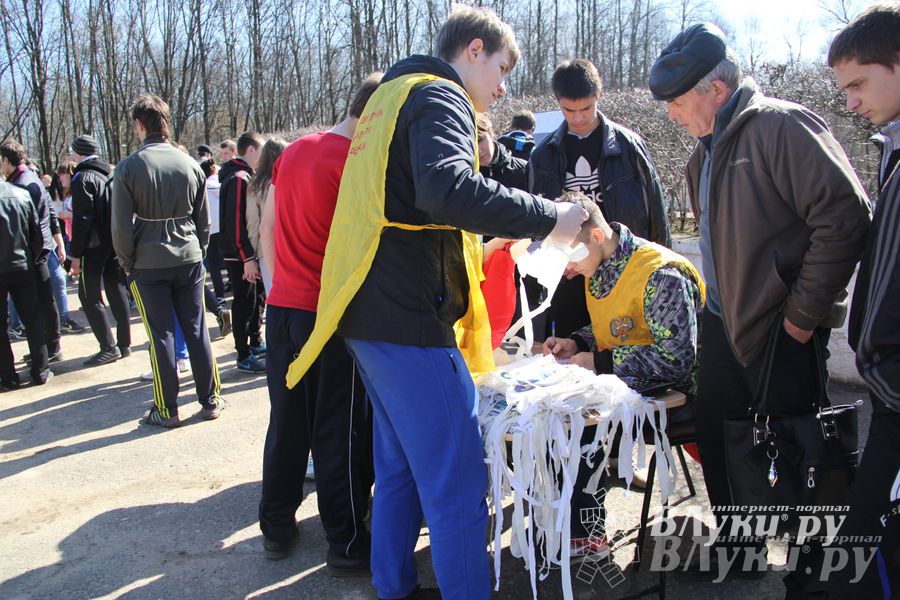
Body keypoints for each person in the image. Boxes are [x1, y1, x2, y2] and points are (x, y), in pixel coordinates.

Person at [286, 5, 588, 598]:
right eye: (501, 68)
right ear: (473, 50)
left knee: (398, 468)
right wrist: (552, 219)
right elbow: (447, 187)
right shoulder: (439, 95)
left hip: (368, 312)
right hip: (407, 320)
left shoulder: (390, 96)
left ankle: (392, 584)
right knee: (457, 486)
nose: (501, 88)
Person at [648, 23, 871, 593]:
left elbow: (845, 217)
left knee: (800, 451)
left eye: (677, 101)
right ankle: (741, 551)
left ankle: (813, 569)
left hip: (783, 331)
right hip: (723, 328)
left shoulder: (780, 126)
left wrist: (802, 317)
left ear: (715, 91)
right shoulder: (701, 159)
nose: (671, 113)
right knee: (724, 446)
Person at [256, 73, 380, 577]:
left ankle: (276, 525)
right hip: (326, 316)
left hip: (283, 306)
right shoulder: (356, 162)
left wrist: (275, 287)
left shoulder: (295, 150)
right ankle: (346, 540)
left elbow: (266, 229)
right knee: (338, 427)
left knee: (287, 421)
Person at [540, 193, 704, 554]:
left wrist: (599, 363)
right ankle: (567, 519)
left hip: (678, 397)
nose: (568, 268)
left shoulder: (662, 274)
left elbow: (675, 359)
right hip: (630, 389)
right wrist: (577, 342)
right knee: (552, 412)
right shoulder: (601, 263)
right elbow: (617, 326)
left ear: (596, 237)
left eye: (570, 255)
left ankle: (584, 532)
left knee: (579, 422)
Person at [827, 4, 900, 596]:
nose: (849, 102)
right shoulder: (892, 151)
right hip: (890, 394)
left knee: (865, 551)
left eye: (858, 83)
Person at [529, 58, 670, 340]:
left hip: (623, 270)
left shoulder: (629, 146)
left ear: (598, 96)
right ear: (558, 102)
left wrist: (660, 264)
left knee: (626, 344)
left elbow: (655, 209)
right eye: (569, 110)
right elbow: (538, 218)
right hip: (571, 273)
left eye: (586, 108)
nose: (578, 118)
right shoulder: (542, 155)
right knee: (571, 350)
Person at [111, 93, 223, 428]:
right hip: (189, 256)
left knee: (160, 334)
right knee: (196, 328)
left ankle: (167, 408)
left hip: (148, 261)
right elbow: (204, 222)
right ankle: (210, 399)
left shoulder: (130, 167)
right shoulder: (190, 164)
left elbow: (120, 226)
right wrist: (197, 250)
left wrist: (127, 262)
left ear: (138, 125)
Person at [68, 134, 131, 365]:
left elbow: (82, 219)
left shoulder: (82, 177)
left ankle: (108, 346)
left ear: (80, 152)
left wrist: (76, 253)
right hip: (113, 243)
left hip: (93, 247)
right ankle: (124, 344)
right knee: (116, 290)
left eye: (73, 151)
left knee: (88, 296)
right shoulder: (110, 173)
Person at [0, 140, 64, 364]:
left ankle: (51, 348)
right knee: (42, 301)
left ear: (6, 160)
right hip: (36, 249)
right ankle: (48, 348)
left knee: (42, 302)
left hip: (34, 252)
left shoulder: (25, 183)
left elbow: (34, 223)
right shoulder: (26, 178)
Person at [219, 131, 266, 373]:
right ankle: (243, 353)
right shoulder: (238, 179)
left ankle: (256, 342)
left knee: (256, 300)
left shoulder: (246, 176)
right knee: (244, 304)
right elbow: (235, 224)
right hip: (240, 256)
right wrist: (247, 257)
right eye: (261, 150)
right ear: (251, 150)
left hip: (248, 253)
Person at [0, 181, 51, 387]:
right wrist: (30, 257)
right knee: (32, 318)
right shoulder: (21, 194)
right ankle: (41, 370)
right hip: (22, 265)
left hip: (19, 263)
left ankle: (8, 376)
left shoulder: (20, 194)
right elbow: (36, 234)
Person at [246, 137, 287, 292]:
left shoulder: (255, 185)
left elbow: (253, 222)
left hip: (266, 248)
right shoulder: (289, 180)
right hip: (289, 244)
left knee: (274, 293)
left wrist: (252, 257)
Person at [476, 113, 527, 190]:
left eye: (480, 140)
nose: (478, 151)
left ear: (490, 134)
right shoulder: (465, 176)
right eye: (471, 145)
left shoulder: (525, 170)